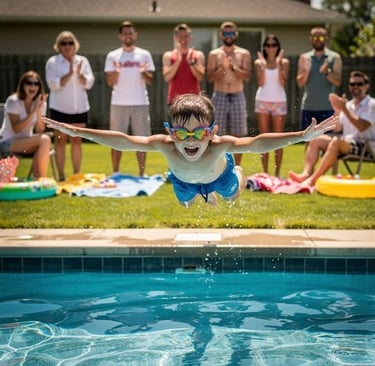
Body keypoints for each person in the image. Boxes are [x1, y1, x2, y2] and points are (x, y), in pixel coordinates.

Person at [43, 93, 337, 207]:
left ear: (213, 132)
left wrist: (301, 135)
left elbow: (259, 141)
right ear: (171, 133)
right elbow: (122, 139)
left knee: (232, 196)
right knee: (186, 202)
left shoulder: (220, 146)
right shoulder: (166, 146)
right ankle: (200, 196)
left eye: (199, 133)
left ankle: (233, 174)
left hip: (220, 176)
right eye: (182, 133)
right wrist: (76, 131)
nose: (190, 140)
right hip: (183, 180)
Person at [289, 71, 375, 187]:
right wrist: (337, 111)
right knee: (315, 139)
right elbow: (337, 129)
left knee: (335, 142)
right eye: (352, 84)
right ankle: (306, 174)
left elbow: (362, 126)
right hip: (346, 143)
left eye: (359, 84)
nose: (355, 87)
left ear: (366, 86)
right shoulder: (349, 105)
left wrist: (344, 109)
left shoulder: (371, 104)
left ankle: (313, 180)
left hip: (366, 146)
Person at [105, 20, 155, 177]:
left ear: (135, 35)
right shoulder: (112, 55)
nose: (128, 35)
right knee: (116, 140)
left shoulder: (144, 54)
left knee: (141, 140)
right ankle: (115, 172)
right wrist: (117, 71)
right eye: (125, 33)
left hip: (140, 103)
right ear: (120, 36)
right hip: (118, 103)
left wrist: (143, 72)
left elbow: (150, 80)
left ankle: (141, 173)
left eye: (130, 33)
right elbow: (109, 82)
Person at [45, 31, 95, 182]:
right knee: (60, 141)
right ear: (58, 46)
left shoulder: (83, 61)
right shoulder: (52, 62)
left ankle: (76, 175)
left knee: (76, 141)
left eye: (70, 43)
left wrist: (79, 75)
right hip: (59, 108)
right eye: (64, 43)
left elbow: (90, 83)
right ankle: (61, 175)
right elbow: (53, 85)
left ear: (75, 45)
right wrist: (70, 73)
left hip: (80, 107)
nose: (67, 46)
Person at [207, 21, 251, 167]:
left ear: (236, 34)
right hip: (219, 95)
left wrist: (233, 67)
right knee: (216, 134)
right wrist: (223, 69)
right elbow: (210, 77)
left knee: (238, 135)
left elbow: (247, 77)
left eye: (231, 33)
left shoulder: (243, 53)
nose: (228, 36)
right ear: (221, 35)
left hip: (237, 94)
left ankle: (237, 168)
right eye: (226, 33)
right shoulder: (214, 54)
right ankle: (218, 167)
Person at [0, 71, 50, 178]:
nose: (33, 86)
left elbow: (40, 130)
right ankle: (41, 180)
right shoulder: (13, 101)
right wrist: (33, 111)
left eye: (36, 83)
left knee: (43, 142)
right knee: (45, 140)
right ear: (23, 85)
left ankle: (37, 180)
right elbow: (16, 129)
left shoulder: (41, 103)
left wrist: (38, 110)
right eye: (29, 83)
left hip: (27, 143)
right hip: (6, 143)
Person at [254, 34, 290, 176]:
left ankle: (276, 174)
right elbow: (261, 82)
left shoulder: (284, 62)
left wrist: (279, 63)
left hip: (279, 101)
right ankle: (265, 173)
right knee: (264, 139)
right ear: (264, 47)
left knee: (278, 139)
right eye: (268, 45)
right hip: (262, 101)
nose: (271, 48)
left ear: (277, 47)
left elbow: (282, 82)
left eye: (273, 45)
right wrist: (263, 65)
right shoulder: (258, 63)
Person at [297, 26, 342, 130]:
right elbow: (300, 83)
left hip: (328, 108)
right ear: (310, 39)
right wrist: (307, 71)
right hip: (308, 107)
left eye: (320, 38)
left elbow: (338, 82)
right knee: (308, 141)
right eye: (315, 38)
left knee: (326, 141)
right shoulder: (304, 57)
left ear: (326, 39)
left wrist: (327, 72)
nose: (317, 40)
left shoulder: (335, 57)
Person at [162, 23, 205, 106]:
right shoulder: (168, 55)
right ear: (175, 38)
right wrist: (178, 60)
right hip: (175, 100)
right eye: (180, 36)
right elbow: (167, 77)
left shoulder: (198, 55)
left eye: (186, 36)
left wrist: (191, 63)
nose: (183, 39)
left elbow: (200, 77)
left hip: (194, 100)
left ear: (190, 38)